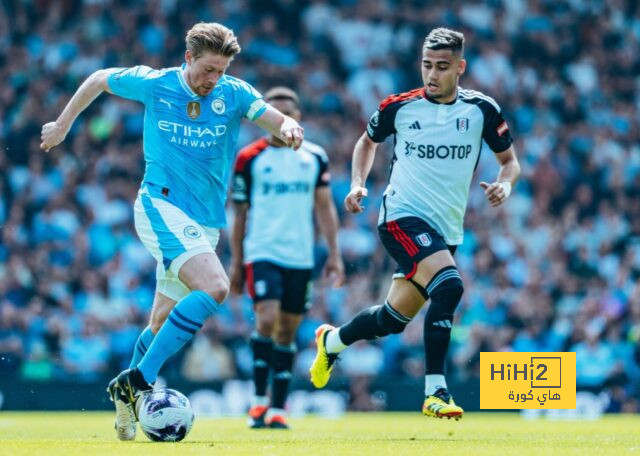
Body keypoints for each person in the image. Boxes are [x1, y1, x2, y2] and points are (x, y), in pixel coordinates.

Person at [40, 22, 304, 441]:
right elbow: (98, 78)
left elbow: (272, 117)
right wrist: (63, 124)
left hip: (204, 222)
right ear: (188, 58)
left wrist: (288, 127)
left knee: (162, 320)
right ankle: (139, 380)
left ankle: (127, 403)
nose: (213, 79)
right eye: (208, 69)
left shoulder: (234, 93)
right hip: (159, 204)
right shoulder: (156, 83)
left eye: (221, 70)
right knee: (215, 287)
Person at [309, 27, 520, 420]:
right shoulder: (399, 107)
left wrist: (505, 187)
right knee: (451, 284)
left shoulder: (482, 110)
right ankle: (435, 391)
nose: (432, 74)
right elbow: (366, 142)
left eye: (442, 67)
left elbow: (510, 162)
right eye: (427, 65)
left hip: (446, 231)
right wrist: (357, 184)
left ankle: (332, 341)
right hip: (401, 217)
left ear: (461, 67)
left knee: (392, 319)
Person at [230, 87, 345, 429]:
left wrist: (335, 255)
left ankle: (278, 409)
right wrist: (237, 262)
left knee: (287, 331)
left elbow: (325, 208)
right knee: (266, 319)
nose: (280, 122)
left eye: (287, 115)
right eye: (273, 115)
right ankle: (258, 400)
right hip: (262, 251)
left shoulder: (314, 157)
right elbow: (240, 214)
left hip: (300, 257)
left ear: (298, 118)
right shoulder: (249, 158)